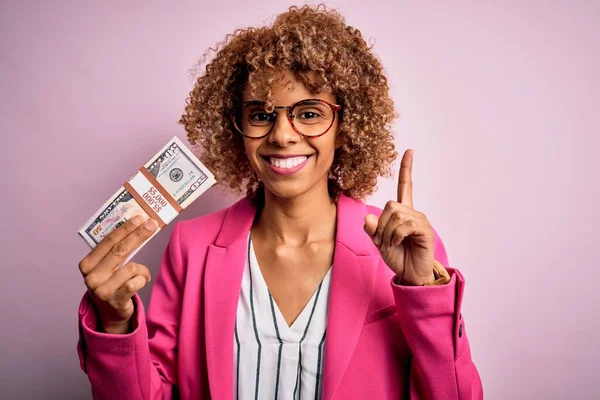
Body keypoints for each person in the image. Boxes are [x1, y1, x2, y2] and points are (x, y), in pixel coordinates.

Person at [76, 5, 483, 399]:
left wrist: (424, 296)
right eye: (261, 114)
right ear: (237, 127)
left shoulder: (401, 246)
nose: (282, 135)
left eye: (309, 113)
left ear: (346, 127)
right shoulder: (192, 246)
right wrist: (115, 325)